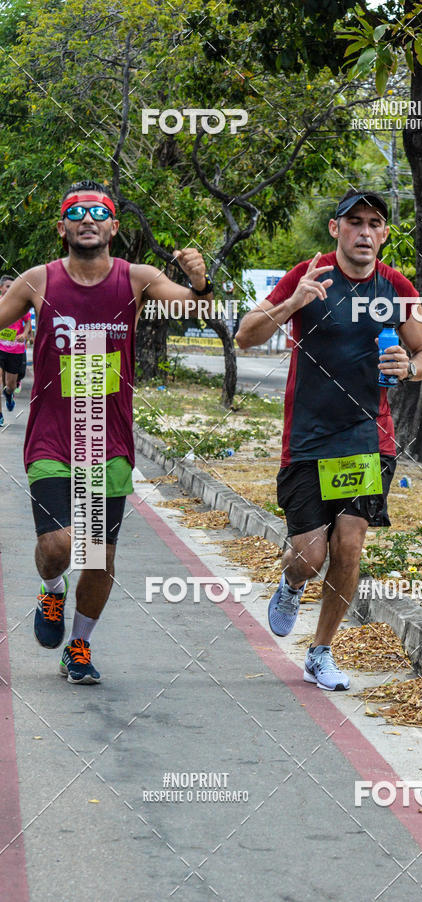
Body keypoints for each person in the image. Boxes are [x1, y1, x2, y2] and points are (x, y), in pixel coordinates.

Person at [0, 179, 212, 683]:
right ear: (62, 227)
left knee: (97, 554)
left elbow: (194, 308)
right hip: (51, 436)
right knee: (57, 546)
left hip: (105, 440)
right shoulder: (39, 280)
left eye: (99, 211)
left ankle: (79, 646)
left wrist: (201, 283)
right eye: (76, 211)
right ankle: (52, 592)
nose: (87, 218)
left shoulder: (136, 277)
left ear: (114, 226)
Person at [236, 189, 422, 691]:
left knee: (349, 545)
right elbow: (245, 334)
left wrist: (410, 368)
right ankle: (290, 583)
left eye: (375, 223)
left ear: (385, 234)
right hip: (306, 438)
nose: (365, 232)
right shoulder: (310, 273)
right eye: (355, 222)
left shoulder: (397, 286)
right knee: (309, 556)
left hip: (367, 436)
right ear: (336, 229)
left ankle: (321, 652)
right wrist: (293, 301)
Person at [0, 275, 31, 423]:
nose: (9, 289)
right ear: (1, 288)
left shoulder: (19, 305)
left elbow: (28, 322)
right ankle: (0, 415)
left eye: (12, 287)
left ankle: (8, 394)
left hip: (15, 350)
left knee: (10, 385)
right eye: (7, 286)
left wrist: (25, 334)